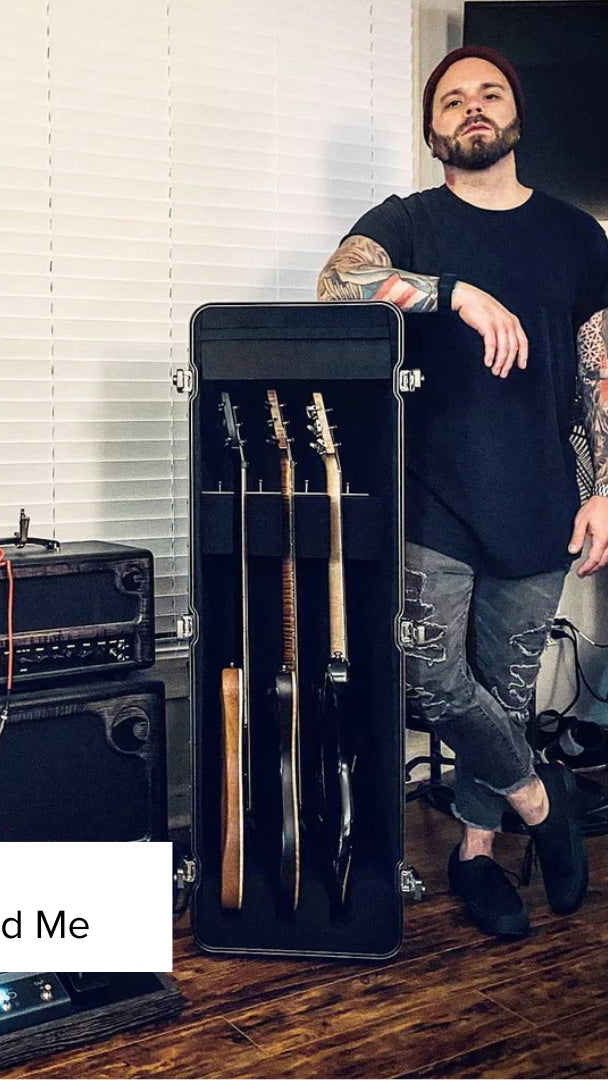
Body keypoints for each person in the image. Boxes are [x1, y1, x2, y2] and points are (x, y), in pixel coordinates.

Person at [318, 44, 608, 938]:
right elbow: (336, 284)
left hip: (542, 496)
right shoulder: (408, 221)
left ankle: (477, 855)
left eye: (489, 93)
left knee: (506, 690)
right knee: (431, 676)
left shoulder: (577, 236)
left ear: (516, 115)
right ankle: (542, 805)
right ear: (432, 129)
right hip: (430, 493)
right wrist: (453, 294)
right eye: (452, 99)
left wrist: (605, 486)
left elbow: (599, 371)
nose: (472, 106)